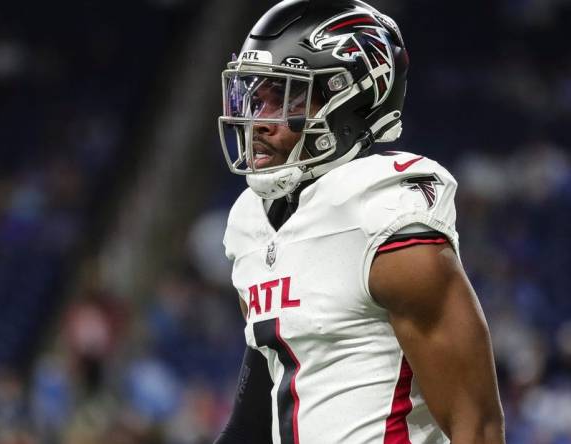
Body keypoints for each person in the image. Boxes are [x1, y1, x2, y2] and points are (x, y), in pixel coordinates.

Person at [215, 1, 504, 443]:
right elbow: (259, 409)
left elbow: (477, 428)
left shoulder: (383, 213)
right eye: (256, 98)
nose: (259, 122)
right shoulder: (251, 222)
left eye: (285, 97)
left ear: (350, 100)